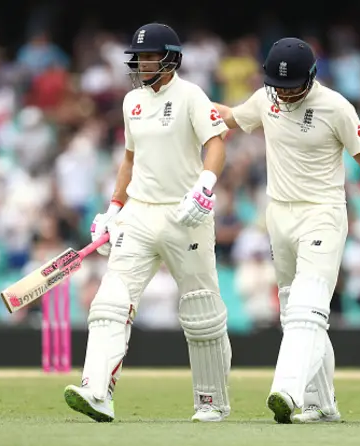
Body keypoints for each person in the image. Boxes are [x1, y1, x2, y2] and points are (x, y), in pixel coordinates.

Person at [213, 38, 360, 424]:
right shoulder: (266, 99)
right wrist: (189, 107)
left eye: (291, 86)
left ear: (310, 78)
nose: (283, 93)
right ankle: (322, 404)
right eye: (277, 85)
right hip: (278, 215)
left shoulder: (336, 107)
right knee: (293, 310)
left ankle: (286, 391)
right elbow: (229, 117)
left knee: (307, 307)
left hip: (323, 214)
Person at [64, 23, 232, 423]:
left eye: (148, 57)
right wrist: (114, 207)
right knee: (109, 302)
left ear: (170, 58)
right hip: (138, 213)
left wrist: (205, 187)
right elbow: (129, 159)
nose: (140, 64)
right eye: (137, 58)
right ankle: (97, 390)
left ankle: (211, 402)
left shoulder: (191, 95)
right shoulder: (132, 102)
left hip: (185, 213)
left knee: (202, 311)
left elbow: (216, 144)